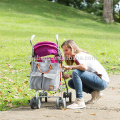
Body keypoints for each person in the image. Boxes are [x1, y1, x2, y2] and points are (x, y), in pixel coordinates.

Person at [61, 40, 109, 109]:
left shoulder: (79, 55)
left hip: (101, 81)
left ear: (73, 48)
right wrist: (69, 76)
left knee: (75, 72)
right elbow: (84, 74)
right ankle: (95, 93)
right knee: (71, 82)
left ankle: (79, 101)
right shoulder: (79, 55)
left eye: (66, 50)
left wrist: (70, 67)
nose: (65, 53)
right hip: (99, 81)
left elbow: (84, 67)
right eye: (64, 51)